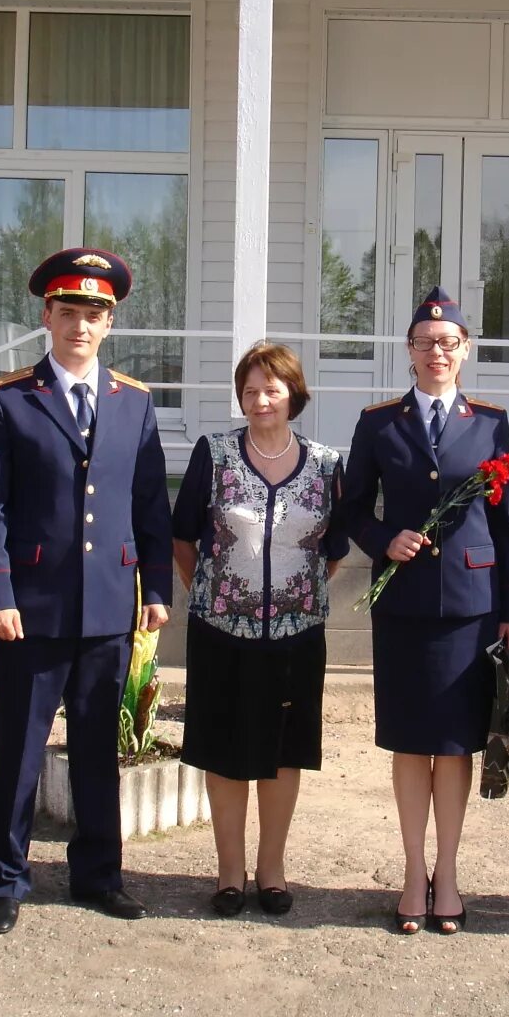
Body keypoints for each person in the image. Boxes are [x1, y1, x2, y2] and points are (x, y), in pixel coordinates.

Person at [0, 247, 173, 935]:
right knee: (19, 745)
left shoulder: (134, 403)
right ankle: (6, 875)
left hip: (111, 604)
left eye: (94, 314)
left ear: (109, 324)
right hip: (31, 607)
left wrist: (154, 588)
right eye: (68, 313)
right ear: (46, 316)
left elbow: (149, 503)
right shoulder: (8, 398)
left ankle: (99, 874)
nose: (80, 325)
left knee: (95, 749)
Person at [340, 286, 509, 936]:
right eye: (425, 343)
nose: (437, 352)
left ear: (465, 351)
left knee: (455, 746)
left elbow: (507, 528)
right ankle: (412, 872)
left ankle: (448, 874)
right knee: (411, 743)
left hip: (472, 611)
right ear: (409, 352)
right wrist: (381, 538)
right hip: (405, 607)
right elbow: (353, 506)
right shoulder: (379, 423)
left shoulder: (491, 423)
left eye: (449, 343)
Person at [171, 342, 349, 918]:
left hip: (298, 636)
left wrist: (299, 593)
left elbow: (335, 547)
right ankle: (229, 873)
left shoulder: (325, 463)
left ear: (293, 393)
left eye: (271, 389)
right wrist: (212, 590)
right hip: (221, 633)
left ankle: (271, 871)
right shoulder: (215, 453)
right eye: (249, 390)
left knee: (283, 752)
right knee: (224, 751)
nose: (260, 400)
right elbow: (182, 536)